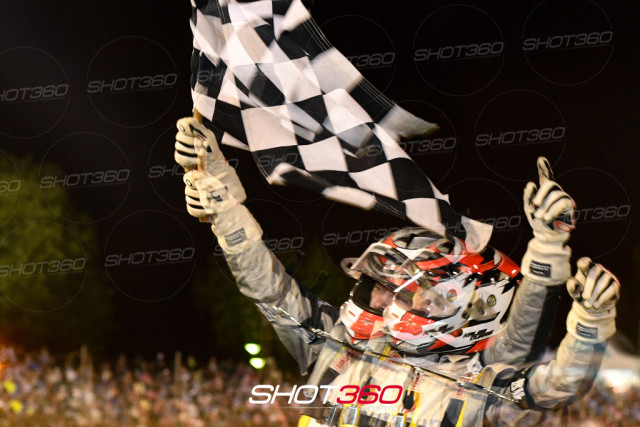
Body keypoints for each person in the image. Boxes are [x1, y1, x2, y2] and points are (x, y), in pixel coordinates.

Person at [174, 118, 619, 426]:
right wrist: (226, 212)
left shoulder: (476, 385)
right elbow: (270, 292)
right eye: (378, 286)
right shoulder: (336, 346)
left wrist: (587, 321)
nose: (381, 301)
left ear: (461, 311)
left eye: (402, 291)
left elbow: (557, 383)